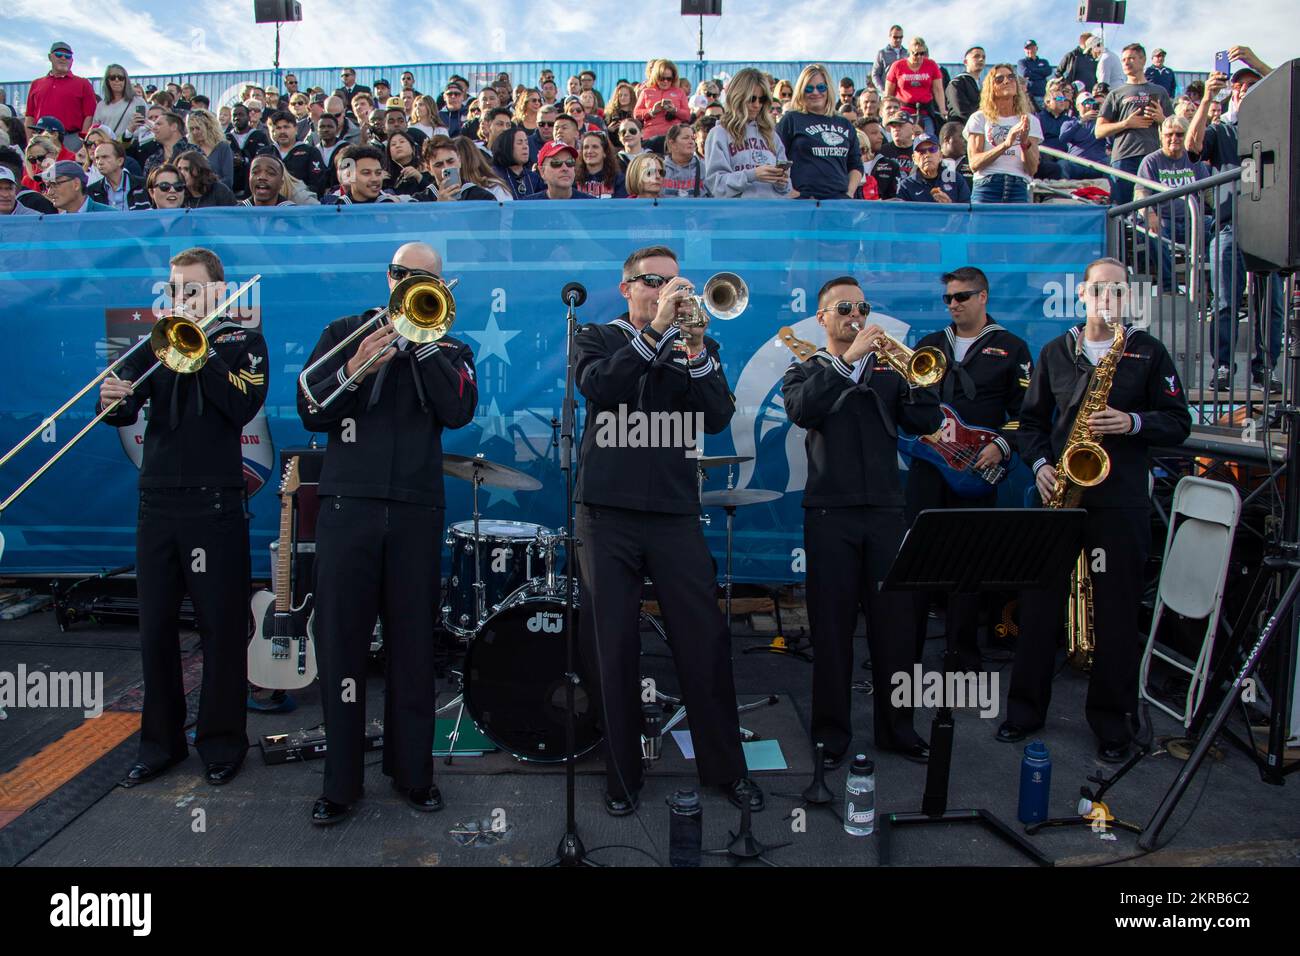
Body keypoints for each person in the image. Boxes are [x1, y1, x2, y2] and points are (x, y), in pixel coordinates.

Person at [574, 245, 762, 815]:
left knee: (704, 641)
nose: (668, 290)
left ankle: (725, 770)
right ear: (626, 286)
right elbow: (602, 389)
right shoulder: (596, 337)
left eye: (676, 283)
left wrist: (698, 347)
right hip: (607, 512)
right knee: (614, 647)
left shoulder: (693, 345)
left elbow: (717, 416)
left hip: (676, 513)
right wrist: (655, 333)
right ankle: (621, 777)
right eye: (654, 280)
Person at [298, 242, 476, 825]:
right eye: (404, 274)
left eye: (425, 278)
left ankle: (412, 773)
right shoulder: (345, 331)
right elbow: (309, 407)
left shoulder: (450, 345)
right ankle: (340, 783)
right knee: (343, 646)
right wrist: (353, 369)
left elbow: (458, 412)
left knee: (413, 649)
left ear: (440, 285)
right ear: (388, 275)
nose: (411, 283)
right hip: (348, 507)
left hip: (417, 511)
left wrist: (422, 347)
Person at [1001, 257, 1191, 763]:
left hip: (1119, 501)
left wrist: (1131, 423)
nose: (1107, 297)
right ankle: (1022, 712)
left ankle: (1112, 724)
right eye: (1098, 288)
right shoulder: (1055, 352)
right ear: (1082, 294)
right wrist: (1039, 463)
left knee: (1115, 612)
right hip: (1060, 493)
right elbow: (1031, 423)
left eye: (1117, 290)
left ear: (1126, 298)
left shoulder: (1147, 352)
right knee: (1039, 606)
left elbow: (1178, 422)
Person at [99, 247, 267, 789]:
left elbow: (241, 406)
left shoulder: (243, 342)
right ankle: (161, 744)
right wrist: (113, 396)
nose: (181, 300)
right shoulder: (156, 342)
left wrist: (204, 351)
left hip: (214, 503)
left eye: (191, 289)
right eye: (174, 290)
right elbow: (119, 409)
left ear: (218, 292)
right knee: (155, 631)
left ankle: (221, 742)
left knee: (220, 629)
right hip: (157, 501)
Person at [782, 276, 942, 767]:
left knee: (895, 629)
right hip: (829, 513)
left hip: (887, 513)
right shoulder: (805, 369)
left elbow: (927, 422)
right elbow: (802, 410)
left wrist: (915, 382)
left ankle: (897, 729)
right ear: (823, 317)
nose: (855, 315)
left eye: (862, 307)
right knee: (830, 631)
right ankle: (831, 735)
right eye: (844, 307)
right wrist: (847, 363)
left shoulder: (891, 370)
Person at [906, 268, 1032, 670]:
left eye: (962, 296)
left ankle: (962, 654)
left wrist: (1002, 444)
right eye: (948, 298)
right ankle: (903, 651)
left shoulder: (1012, 347)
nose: (954, 304)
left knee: (968, 562)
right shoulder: (928, 345)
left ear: (983, 297)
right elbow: (906, 407)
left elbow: (1028, 416)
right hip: (928, 467)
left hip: (976, 470)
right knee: (917, 559)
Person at [1185, 55, 1286, 394]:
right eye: (1239, 84)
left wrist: (1255, 58)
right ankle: (1224, 365)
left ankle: (1266, 368)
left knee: (1269, 303)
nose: (1243, 89)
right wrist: (1208, 100)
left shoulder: (1275, 124)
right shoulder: (1221, 127)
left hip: (1269, 227)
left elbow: (1291, 89)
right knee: (1225, 301)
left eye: (1251, 85)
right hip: (1230, 225)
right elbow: (1192, 146)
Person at [1136, 116, 1211, 292]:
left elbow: (1208, 191)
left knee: (1218, 230)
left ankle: (1207, 289)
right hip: (1164, 220)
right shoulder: (1151, 161)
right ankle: (1170, 288)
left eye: (1179, 134)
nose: (1174, 139)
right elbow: (1140, 194)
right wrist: (1150, 215)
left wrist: (1222, 211)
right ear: (1161, 135)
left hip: (1192, 221)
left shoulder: (1193, 159)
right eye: (1169, 134)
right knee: (1153, 232)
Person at [1095, 43, 1174, 207]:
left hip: (1153, 157)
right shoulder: (1115, 94)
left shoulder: (1159, 91)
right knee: (1123, 209)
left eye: (1131, 58)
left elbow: (1176, 127)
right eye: (1123, 59)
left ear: (1143, 60)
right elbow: (1099, 131)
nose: (1126, 62)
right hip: (1123, 157)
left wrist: (1162, 119)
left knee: (1155, 208)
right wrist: (1125, 123)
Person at [778, 64, 863, 200]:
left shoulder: (844, 123)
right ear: (801, 91)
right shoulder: (791, 120)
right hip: (803, 203)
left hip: (838, 203)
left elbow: (856, 164)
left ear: (828, 89)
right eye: (809, 88)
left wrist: (849, 193)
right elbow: (776, 158)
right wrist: (791, 192)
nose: (815, 93)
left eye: (821, 87)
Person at [703, 67, 791, 199]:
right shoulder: (719, 133)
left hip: (772, 213)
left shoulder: (771, 135)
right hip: (738, 215)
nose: (757, 105)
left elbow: (787, 188)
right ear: (737, 97)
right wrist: (752, 175)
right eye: (752, 99)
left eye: (762, 100)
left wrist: (782, 181)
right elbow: (717, 186)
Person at [965, 64, 1041, 204]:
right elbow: (974, 163)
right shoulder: (979, 118)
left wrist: (1024, 143)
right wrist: (1006, 144)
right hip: (986, 186)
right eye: (999, 79)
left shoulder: (1031, 121)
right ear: (990, 87)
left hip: (1019, 186)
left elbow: (1032, 169)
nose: (1007, 81)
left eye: (1011, 77)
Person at [25, 42, 97, 148]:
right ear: (50, 57)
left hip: (71, 140)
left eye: (68, 56)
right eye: (59, 54)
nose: (63, 58)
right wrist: (30, 142)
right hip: (41, 139)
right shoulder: (36, 84)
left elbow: (89, 116)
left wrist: (83, 142)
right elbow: (29, 116)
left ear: (72, 60)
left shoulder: (83, 84)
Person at [885, 38, 947, 137]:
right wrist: (887, 112)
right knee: (904, 138)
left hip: (924, 111)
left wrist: (942, 109)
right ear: (909, 52)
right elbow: (888, 93)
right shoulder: (897, 66)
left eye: (922, 53)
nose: (919, 57)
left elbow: (938, 89)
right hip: (903, 110)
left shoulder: (931, 65)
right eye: (916, 53)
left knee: (928, 138)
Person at [896, 134, 971, 202]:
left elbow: (967, 213)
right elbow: (902, 216)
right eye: (921, 151)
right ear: (914, 159)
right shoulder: (906, 186)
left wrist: (949, 206)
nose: (927, 155)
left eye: (932, 149)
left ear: (941, 155)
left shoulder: (956, 180)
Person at [322, 144, 401, 204]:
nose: (375, 179)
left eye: (378, 173)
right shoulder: (336, 209)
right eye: (366, 173)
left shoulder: (391, 207)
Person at [634, 59, 690, 140]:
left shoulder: (679, 92)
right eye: (661, 78)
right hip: (651, 136)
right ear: (656, 77)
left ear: (673, 78)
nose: (665, 81)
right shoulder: (646, 92)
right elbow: (636, 113)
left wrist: (674, 110)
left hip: (673, 136)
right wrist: (651, 111)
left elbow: (687, 115)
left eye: (669, 79)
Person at [522, 140, 595, 201]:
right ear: (542, 171)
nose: (565, 168)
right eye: (556, 163)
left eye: (570, 162)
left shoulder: (591, 205)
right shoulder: (528, 206)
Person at [88, 141, 151, 210]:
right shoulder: (91, 191)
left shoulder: (144, 186)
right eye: (97, 158)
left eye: (105, 157)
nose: (99, 162)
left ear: (120, 161)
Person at [93, 64, 148, 141]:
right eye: (112, 78)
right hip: (107, 147)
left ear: (126, 81)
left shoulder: (138, 101)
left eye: (121, 78)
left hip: (130, 147)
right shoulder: (101, 105)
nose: (116, 80)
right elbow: (95, 129)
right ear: (107, 81)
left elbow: (145, 126)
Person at [1060, 92, 1107, 178]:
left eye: (1092, 103)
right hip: (1076, 163)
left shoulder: (1101, 123)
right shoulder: (1069, 123)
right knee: (1062, 164)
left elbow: (1111, 141)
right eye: (1085, 103)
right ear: (1077, 107)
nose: (1089, 106)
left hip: (1098, 164)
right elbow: (1062, 140)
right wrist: (1081, 122)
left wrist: (1103, 117)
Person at [1035, 79, 1074, 179]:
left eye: (1063, 99)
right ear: (1047, 102)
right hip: (1045, 155)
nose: (1062, 102)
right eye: (1058, 99)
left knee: (1064, 164)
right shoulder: (1038, 119)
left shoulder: (1069, 120)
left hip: (1064, 155)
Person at [186, 109, 235, 190]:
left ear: (209, 128)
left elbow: (228, 180)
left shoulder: (223, 147)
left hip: (218, 195)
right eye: (192, 129)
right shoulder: (190, 148)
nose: (194, 132)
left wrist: (206, 187)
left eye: (198, 128)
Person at [491, 125, 544, 199]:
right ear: (507, 147)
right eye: (519, 143)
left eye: (526, 143)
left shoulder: (533, 177)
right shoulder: (494, 176)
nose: (525, 147)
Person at [240, 153, 314, 206]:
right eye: (255, 172)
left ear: (281, 183)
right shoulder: (237, 213)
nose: (262, 177)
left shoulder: (292, 215)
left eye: (270, 173)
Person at [659, 123, 709, 197]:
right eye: (686, 138)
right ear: (672, 143)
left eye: (692, 138)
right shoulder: (659, 170)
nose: (691, 142)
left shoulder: (705, 168)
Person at [44, 160, 112, 212]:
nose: (50, 193)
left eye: (55, 184)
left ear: (76, 184)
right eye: (48, 186)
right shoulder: (58, 224)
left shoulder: (109, 216)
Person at [576, 130, 627, 198]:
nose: (589, 151)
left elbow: (620, 206)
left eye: (595, 147)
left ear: (604, 153)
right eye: (586, 147)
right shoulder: (573, 178)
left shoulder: (619, 180)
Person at [858, 118, 901, 199]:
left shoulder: (891, 166)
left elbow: (895, 198)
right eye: (874, 133)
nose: (881, 137)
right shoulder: (847, 164)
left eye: (880, 133)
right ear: (861, 136)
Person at [946, 47, 986, 127]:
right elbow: (961, 110)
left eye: (983, 57)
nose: (981, 59)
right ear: (965, 62)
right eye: (976, 56)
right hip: (960, 131)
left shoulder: (984, 87)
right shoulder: (957, 83)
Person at [938, 120, 973, 191]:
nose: (966, 141)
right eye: (962, 137)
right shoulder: (930, 162)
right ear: (947, 139)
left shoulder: (972, 162)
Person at [1019, 40, 1054, 109]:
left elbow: (1048, 71)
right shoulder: (1022, 62)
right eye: (1028, 48)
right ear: (1024, 50)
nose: (1030, 50)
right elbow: (1025, 73)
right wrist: (1041, 73)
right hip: (1030, 98)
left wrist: (1032, 71)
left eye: (1032, 48)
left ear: (1036, 48)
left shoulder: (1044, 61)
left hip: (1045, 96)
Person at [872, 25, 907, 93]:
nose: (898, 40)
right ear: (890, 36)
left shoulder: (908, 54)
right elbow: (875, 75)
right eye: (895, 37)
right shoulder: (882, 53)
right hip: (888, 94)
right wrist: (883, 90)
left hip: (904, 94)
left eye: (901, 37)